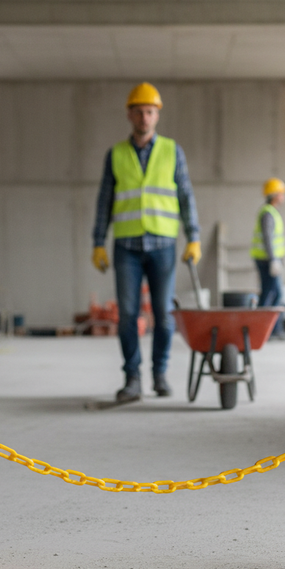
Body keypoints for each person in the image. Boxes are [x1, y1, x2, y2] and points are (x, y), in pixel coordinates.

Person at [92, 82, 201, 403]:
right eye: (139, 112)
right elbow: (104, 201)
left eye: (150, 112)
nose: (144, 117)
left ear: (157, 115)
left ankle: (160, 374)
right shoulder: (116, 154)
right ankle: (132, 378)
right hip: (126, 246)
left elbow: (185, 195)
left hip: (162, 244)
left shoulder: (172, 151)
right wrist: (98, 242)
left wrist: (193, 236)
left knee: (163, 315)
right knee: (128, 315)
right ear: (129, 115)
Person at [250, 178, 285, 339]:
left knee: (270, 293)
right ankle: (267, 330)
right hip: (266, 261)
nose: (283, 196)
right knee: (273, 294)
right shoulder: (268, 213)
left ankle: (267, 330)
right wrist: (273, 260)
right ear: (274, 195)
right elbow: (267, 238)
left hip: (268, 260)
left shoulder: (271, 212)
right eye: (281, 193)